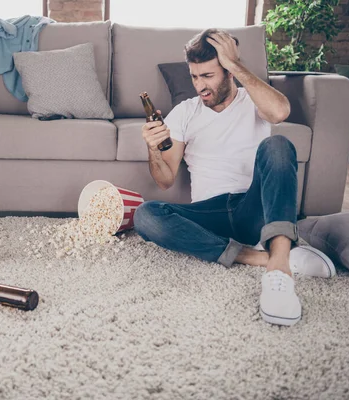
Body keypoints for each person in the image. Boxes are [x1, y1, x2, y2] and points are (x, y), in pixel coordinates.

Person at [133, 29, 335, 327]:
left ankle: (279, 270)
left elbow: (280, 112)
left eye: (208, 76)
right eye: (195, 77)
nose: (200, 86)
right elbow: (164, 180)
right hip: (210, 213)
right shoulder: (185, 112)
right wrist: (152, 148)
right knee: (146, 215)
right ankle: (259, 258)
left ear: (228, 71)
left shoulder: (251, 99)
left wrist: (237, 64)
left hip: (252, 209)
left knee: (278, 145)